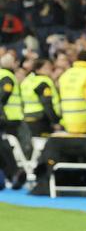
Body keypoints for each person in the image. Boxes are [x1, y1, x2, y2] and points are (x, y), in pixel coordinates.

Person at [0, 54, 24, 188]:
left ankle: (8, 175)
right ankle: (13, 173)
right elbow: (2, 98)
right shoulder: (8, 77)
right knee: (7, 146)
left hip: (6, 119)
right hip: (9, 119)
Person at [20, 58, 59, 137]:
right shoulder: (43, 82)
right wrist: (55, 121)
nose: (49, 70)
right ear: (37, 70)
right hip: (42, 117)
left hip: (27, 116)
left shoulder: (26, 81)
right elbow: (47, 103)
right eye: (46, 68)